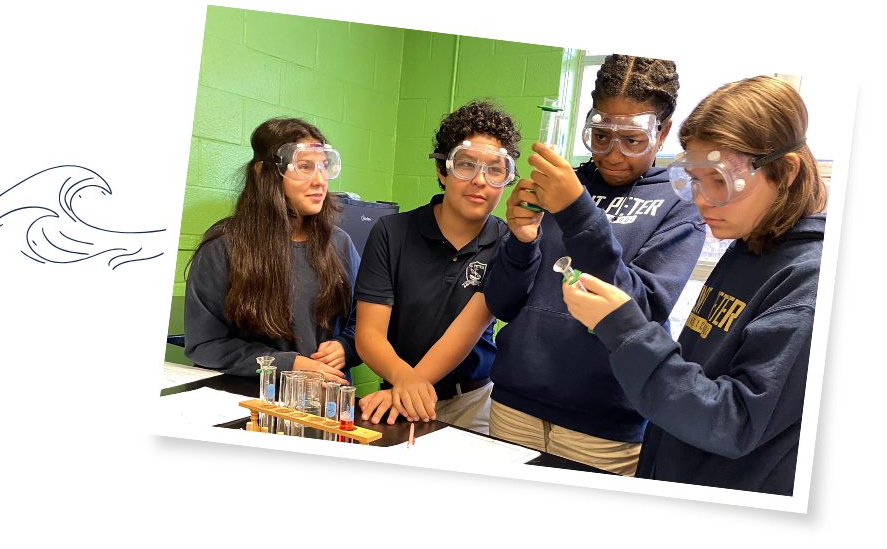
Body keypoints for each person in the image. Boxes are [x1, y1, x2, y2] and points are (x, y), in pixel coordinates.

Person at [562, 75, 827, 495]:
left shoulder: (808, 285)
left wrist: (625, 329)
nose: (702, 201)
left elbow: (733, 422)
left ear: (786, 171)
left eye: (720, 181)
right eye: (696, 180)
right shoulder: (749, 247)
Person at [482, 55, 706, 476]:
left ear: (664, 132)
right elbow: (502, 302)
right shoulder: (562, 184)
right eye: (601, 136)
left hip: (605, 426)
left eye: (632, 140)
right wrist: (523, 242)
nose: (613, 155)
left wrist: (578, 213)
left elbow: (641, 311)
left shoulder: (681, 204)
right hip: (515, 404)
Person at [353, 99, 520, 434]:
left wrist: (410, 385)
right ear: (442, 170)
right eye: (466, 165)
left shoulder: (508, 243)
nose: (480, 180)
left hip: (473, 402)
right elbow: (369, 333)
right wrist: (402, 381)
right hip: (395, 395)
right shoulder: (391, 233)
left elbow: (467, 330)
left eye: (495, 169)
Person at [183, 118, 362, 384]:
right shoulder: (225, 246)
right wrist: (286, 364)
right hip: (254, 403)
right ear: (263, 172)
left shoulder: (339, 243)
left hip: (326, 402)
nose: (320, 181)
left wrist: (347, 347)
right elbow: (205, 344)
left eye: (324, 167)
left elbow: (366, 321)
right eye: (304, 167)